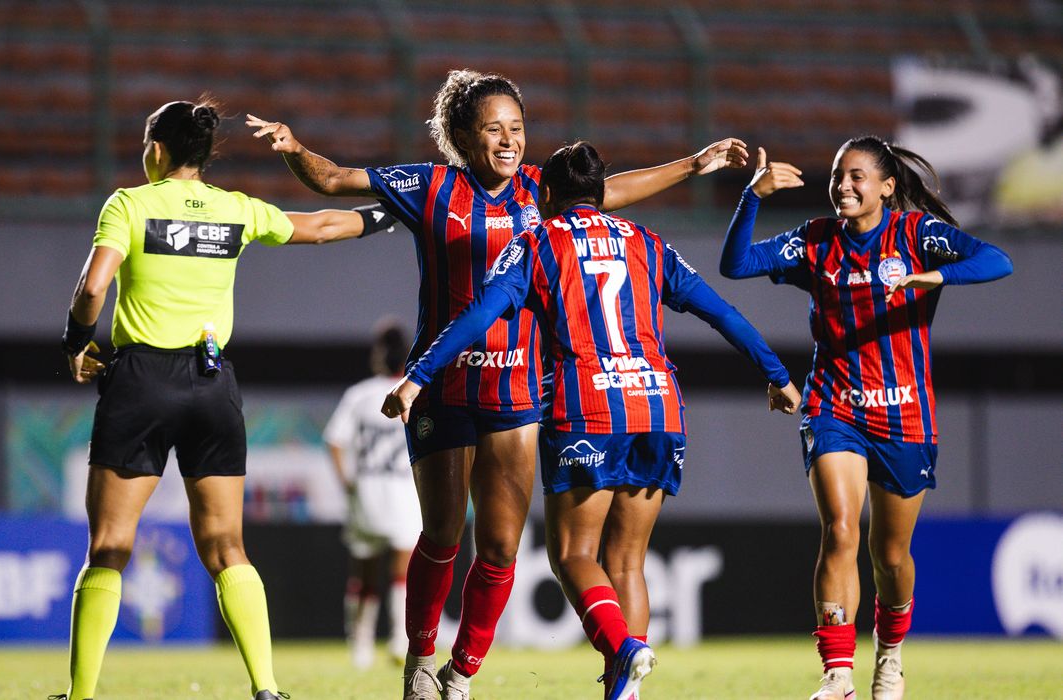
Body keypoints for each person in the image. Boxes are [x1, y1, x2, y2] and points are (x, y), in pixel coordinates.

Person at [248, 69, 751, 700]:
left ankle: (462, 674)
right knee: (439, 536)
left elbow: (614, 190)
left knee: (501, 548)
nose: (509, 141)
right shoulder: (429, 186)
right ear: (461, 135)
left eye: (517, 128)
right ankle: (420, 664)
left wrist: (694, 165)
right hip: (444, 388)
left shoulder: (545, 189)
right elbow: (334, 180)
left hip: (516, 394)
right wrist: (296, 150)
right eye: (494, 129)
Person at [382, 141, 802, 700]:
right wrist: (776, 374)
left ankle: (625, 650)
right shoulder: (648, 243)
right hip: (658, 405)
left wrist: (420, 376)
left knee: (573, 554)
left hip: (589, 406)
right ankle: (623, 690)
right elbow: (719, 310)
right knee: (627, 559)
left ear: (546, 194)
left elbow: (480, 313)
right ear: (603, 194)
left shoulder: (535, 241)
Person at [52, 97, 396, 700]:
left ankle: (81, 696)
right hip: (212, 386)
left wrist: (78, 342)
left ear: (157, 149)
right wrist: (394, 212)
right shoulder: (234, 210)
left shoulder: (130, 203)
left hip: (142, 381)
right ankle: (266, 688)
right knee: (227, 546)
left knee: (109, 545)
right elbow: (319, 227)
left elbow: (92, 287)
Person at [718, 137, 1013, 700]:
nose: (843, 186)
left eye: (857, 176)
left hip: (905, 416)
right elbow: (735, 264)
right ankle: (837, 675)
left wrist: (938, 277)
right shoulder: (815, 242)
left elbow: (998, 260)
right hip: (835, 409)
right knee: (841, 530)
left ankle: (891, 654)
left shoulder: (915, 235)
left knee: (891, 555)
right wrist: (752, 197)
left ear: (886, 187)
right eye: (836, 175)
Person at [324, 319, 421, 669]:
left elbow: (334, 440)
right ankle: (399, 639)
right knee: (402, 572)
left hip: (366, 491)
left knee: (364, 574)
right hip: (405, 491)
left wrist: (347, 481)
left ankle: (360, 646)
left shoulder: (360, 394)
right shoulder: (415, 391)